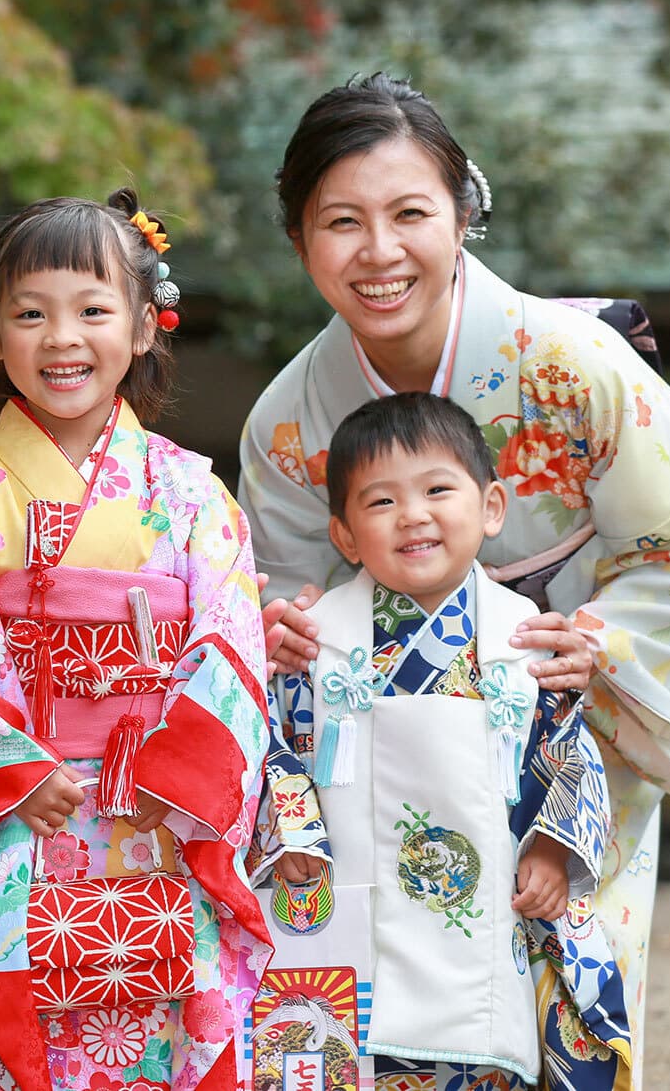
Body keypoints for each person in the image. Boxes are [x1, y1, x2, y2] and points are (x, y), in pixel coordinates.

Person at [239, 74, 670, 1087]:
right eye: (339, 222)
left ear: (462, 212)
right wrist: (274, 624)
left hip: (562, 704)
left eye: (407, 214)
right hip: (381, 741)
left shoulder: (570, 362)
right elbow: (280, 588)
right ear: (299, 239)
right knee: (382, 999)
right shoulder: (287, 418)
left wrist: (600, 641)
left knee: (567, 979)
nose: (377, 252)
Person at [0, 190, 325, 1091]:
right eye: (29, 313)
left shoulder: (191, 492)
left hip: (155, 816)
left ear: (145, 327)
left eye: (93, 310)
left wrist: (179, 773)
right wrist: (11, 766)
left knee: (163, 1048)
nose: (61, 337)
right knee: (8, 1059)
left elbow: (229, 646)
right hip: (14, 822)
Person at [265, 390, 632, 1089]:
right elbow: (278, 750)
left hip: (493, 909)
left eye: (438, 488)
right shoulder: (318, 643)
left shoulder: (527, 636)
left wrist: (554, 847)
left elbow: (569, 753)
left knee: (493, 1037)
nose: (414, 515)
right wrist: (292, 839)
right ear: (344, 536)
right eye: (380, 502)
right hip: (352, 903)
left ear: (491, 506)